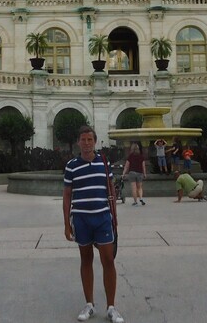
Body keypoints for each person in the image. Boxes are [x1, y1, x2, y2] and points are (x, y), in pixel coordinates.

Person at [63, 125, 125, 323]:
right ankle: (89, 304)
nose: (87, 143)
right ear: (78, 142)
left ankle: (111, 307)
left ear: (95, 141)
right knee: (86, 260)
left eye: (90, 139)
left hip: (102, 218)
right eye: (83, 139)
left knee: (108, 260)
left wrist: (114, 216)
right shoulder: (71, 166)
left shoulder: (104, 163)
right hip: (81, 219)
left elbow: (111, 190)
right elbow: (66, 196)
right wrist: (66, 223)